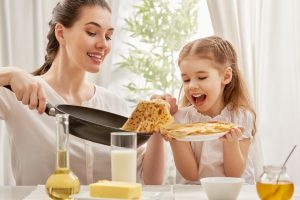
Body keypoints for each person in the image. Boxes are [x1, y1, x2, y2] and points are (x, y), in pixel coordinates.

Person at [0, 0, 165, 185]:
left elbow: (149, 181)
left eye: (108, 36)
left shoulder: (115, 105)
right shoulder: (19, 95)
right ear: (61, 33)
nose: (104, 44)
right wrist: (9, 74)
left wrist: (158, 128)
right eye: (92, 33)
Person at [159, 36, 256, 184]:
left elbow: (234, 174)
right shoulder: (180, 119)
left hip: (234, 193)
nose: (191, 86)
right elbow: (190, 175)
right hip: (195, 193)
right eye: (186, 80)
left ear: (226, 76)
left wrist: (231, 143)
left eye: (202, 77)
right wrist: (173, 136)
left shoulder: (241, 117)